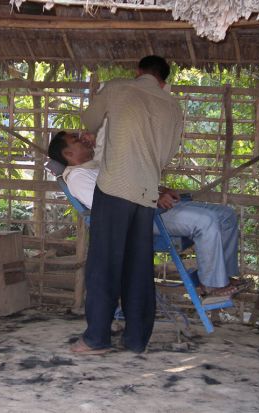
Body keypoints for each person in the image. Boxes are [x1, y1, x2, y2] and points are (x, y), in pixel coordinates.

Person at [63, 55, 184, 354]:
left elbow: (89, 120)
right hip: (146, 194)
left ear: (138, 72)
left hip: (115, 186)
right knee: (139, 266)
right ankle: (136, 339)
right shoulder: (173, 106)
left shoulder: (118, 88)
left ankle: (96, 339)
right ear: (163, 81)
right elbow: (167, 156)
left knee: (104, 264)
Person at [47, 130, 245, 302]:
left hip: (150, 208)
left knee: (226, 214)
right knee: (206, 221)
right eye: (75, 139)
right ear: (68, 153)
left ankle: (223, 278)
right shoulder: (78, 178)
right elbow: (112, 205)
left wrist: (160, 190)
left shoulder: (95, 166)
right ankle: (212, 286)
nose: (82, 138)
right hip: (137, 220)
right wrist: (154, 198)